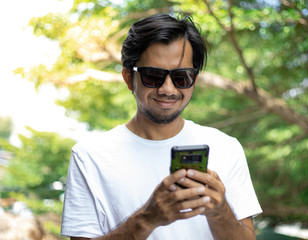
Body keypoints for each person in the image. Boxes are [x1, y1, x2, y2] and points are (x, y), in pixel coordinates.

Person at [61, 13, 262, 240]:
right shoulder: (89, 156)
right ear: (128, 78)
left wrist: (219, 211)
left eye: (182, 77)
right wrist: (148, 218)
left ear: (194, 80)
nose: (168, 89)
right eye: (153, 76)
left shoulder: (226, 148)